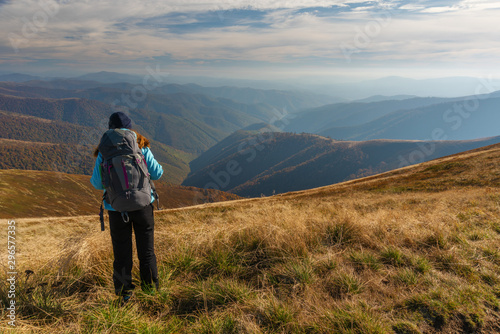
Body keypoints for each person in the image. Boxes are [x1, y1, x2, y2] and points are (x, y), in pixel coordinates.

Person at [90, 112, 163, 303]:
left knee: (122, 254)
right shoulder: (140, 146)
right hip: (143, 206)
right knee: (146, 251)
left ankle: (125, 295)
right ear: (130, 128)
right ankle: (151, 293)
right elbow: (157, 174)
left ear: (110, 128)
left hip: (116, 209)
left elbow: (97, 184)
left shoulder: (104, 151)